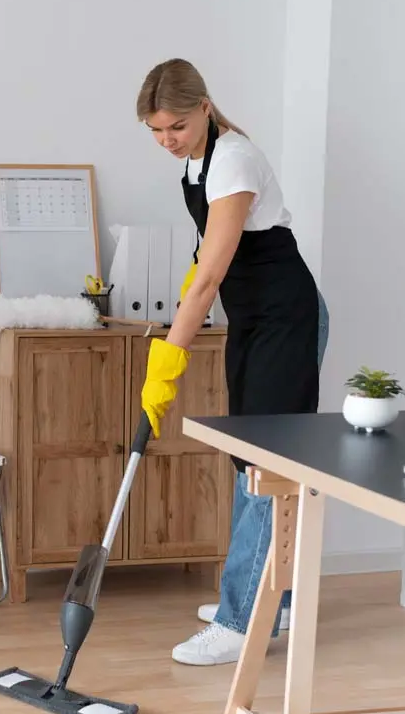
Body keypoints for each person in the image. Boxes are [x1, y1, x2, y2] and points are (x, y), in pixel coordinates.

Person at [136, 58, 330, 667]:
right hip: (254, 320)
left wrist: (170, 355)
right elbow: (203, 262)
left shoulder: (233, 159)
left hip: (286, 319)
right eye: (156, 131)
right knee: (252, 455)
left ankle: (242, 619)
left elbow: (210, 277)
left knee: (268, 463)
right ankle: (280, 598)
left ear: (202, 108)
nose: (168, 141)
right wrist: (173, 337)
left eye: (176, 127)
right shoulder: (198, 162)